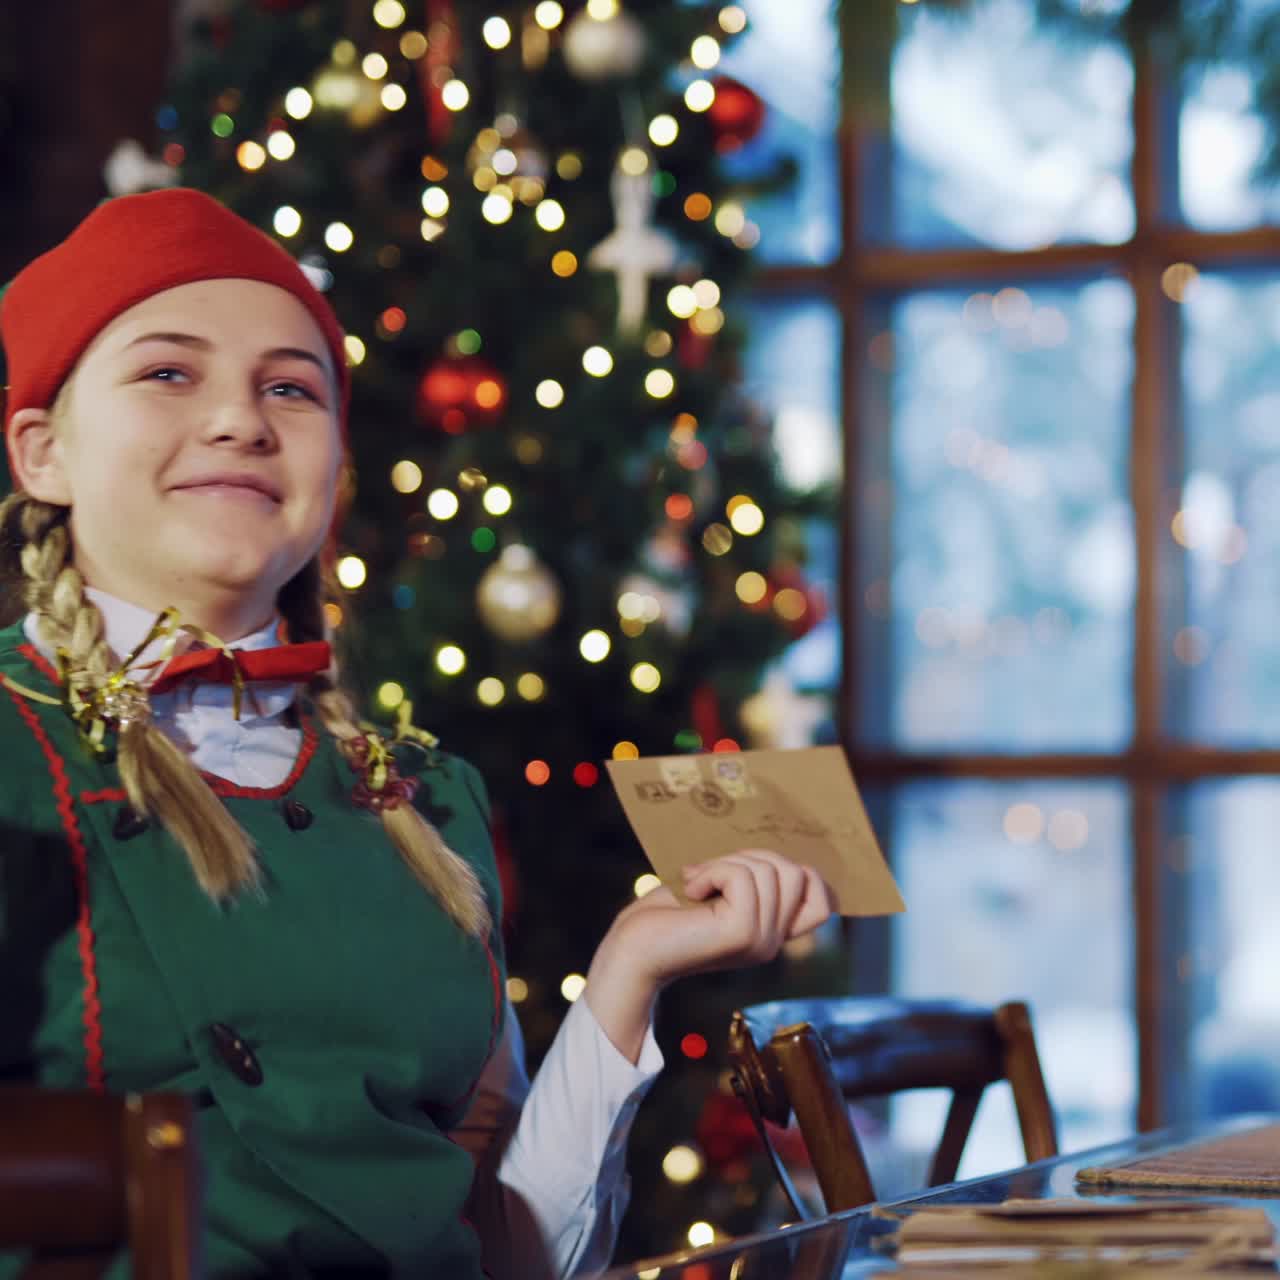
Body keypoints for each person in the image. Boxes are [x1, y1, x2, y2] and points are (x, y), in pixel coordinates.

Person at [0, 188, 835, 1279]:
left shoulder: (421, 793)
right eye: (168, 371)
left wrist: (629, 969)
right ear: (41, 453)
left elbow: (510, 1250)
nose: (240, 420)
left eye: (290, 389)